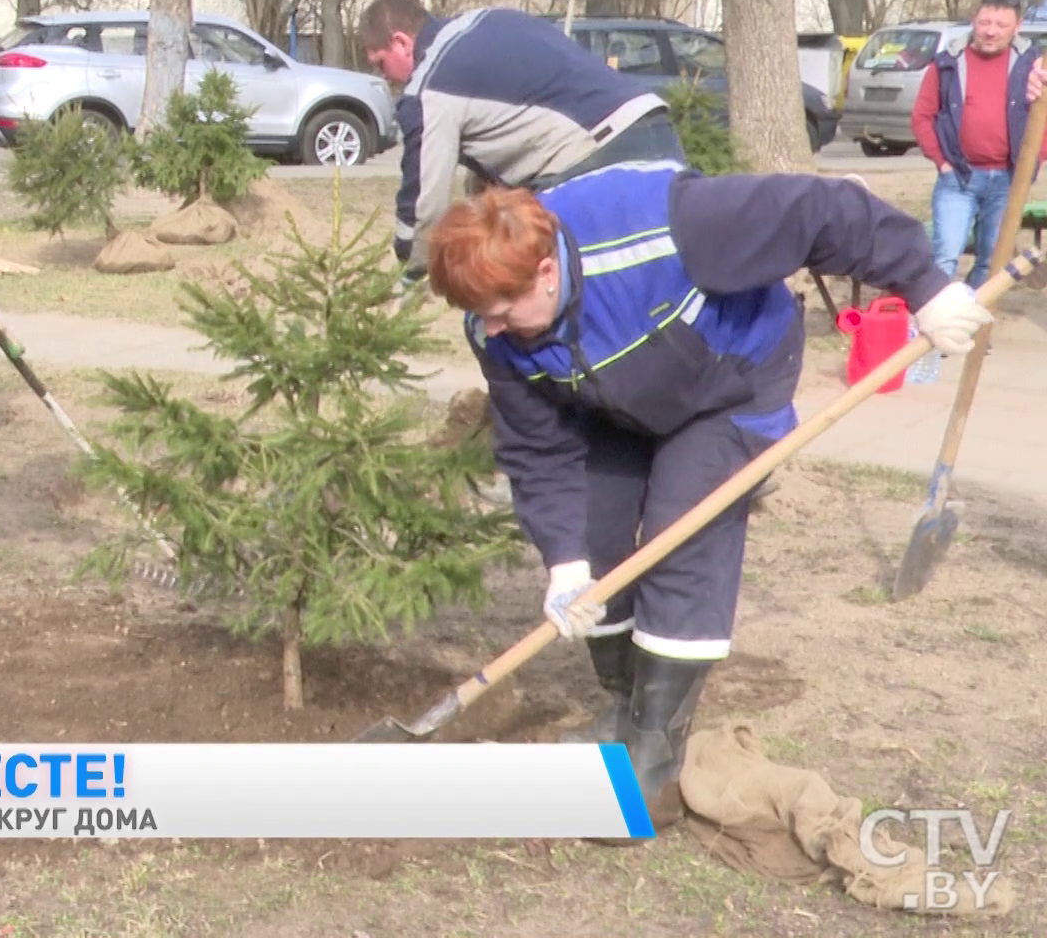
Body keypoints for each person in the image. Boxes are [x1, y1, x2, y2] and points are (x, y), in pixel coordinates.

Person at [421, 163, 992, 833]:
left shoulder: (671, 227)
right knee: (594, 539)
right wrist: (563, 560)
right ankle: (626, 709)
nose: (490, 330)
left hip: (730, 382)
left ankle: (653, 755)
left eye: (500, 312)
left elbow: (821, 210)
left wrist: (925, 286)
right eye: (479, 316)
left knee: (682, 534)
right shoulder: (495, 329)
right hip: (617, 403)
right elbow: (537, 450)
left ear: (546, 272)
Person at [357, 0, 687, 284]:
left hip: (595, 158)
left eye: (381, 63)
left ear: (400, 42)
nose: (384, 76)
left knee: (579, 302)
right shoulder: (488, 19)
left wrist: (405, 272)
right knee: (672, 280)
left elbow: (423, 205)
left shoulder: (427, 88)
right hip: (652, 124)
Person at [911, 0, 1047, 292]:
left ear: (1017, 26)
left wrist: (1033, 162)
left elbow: (1044, 119)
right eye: (985, 22)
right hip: (957, 178)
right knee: (944, 258)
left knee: (991, 261)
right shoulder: (947, 63)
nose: (991, 31)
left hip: (1006, 181)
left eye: (1001, 24)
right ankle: (933, 331)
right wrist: (942, 161)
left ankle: (969, 326)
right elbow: (922, 116)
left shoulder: (1033, 67)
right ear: (974, 21)